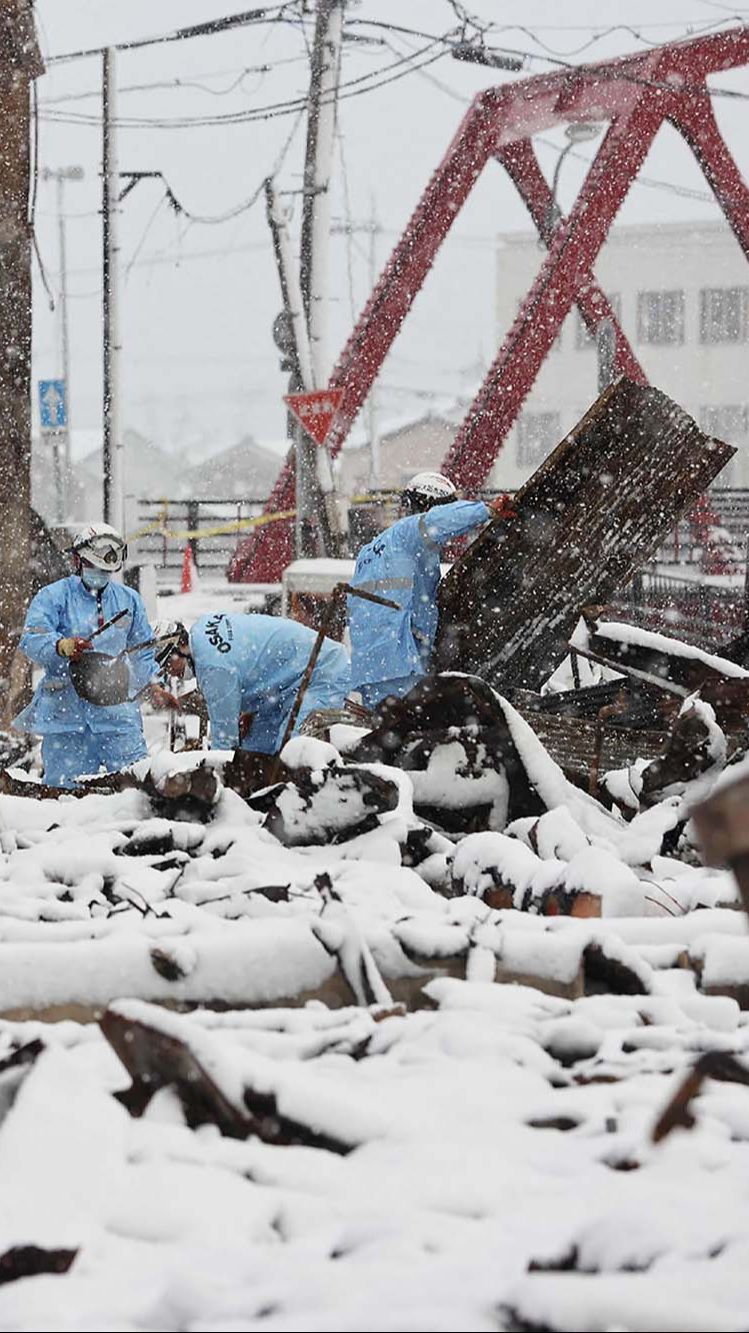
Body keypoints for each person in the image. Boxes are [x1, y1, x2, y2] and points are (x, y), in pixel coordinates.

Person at [13, 523, 165, 788]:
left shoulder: (129, 601)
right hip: (66, 716)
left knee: (136, 790)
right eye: (94, 567)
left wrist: (149, 685)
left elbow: (143, 650)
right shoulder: (53, 596)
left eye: (106, 570)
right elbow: (31, 639)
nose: (100, 574)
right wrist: (61, 646)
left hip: (117, 714)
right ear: (77, 560)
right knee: (65, 795)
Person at [347, 471, 515, 709]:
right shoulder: (409, 533)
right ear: (431, 505)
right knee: (408, 731)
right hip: (401, 660)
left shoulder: (370, 550)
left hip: (371, 666)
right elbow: (436, 521)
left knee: (384, 733)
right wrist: (486, 511)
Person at [153, 612, 351, 755]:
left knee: (294, 753)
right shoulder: (202, 627)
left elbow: (225, 744)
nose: (172, 675)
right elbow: (243, 662)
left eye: (167, 665)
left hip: (323, 671)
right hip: (286, 684)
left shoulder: (214, 668)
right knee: (253, 754)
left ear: (178, 648)